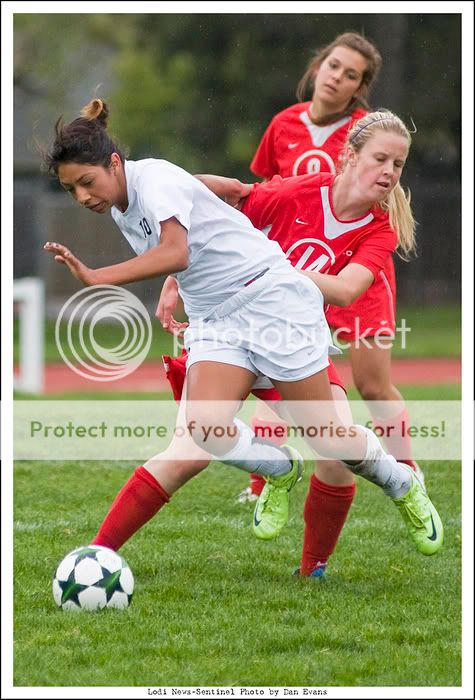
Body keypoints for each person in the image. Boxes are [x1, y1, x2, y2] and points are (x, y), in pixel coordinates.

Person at [42, 97, 442, 576]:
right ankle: (274, 469)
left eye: (87, 182)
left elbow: (177, 252)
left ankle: (400, 482)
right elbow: (218, 203)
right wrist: (206, 195)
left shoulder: (154, 180)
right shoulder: (125, 200)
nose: (83, 196)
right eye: (73, 190)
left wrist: (100, 276)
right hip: (217, 318)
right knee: (203, 432)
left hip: (273, 300)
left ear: (113, 163)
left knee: (332, 442)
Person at [156, 109, 434, 577]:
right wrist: (173, 269)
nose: (389, 172)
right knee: (191, 447)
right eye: (380, 159)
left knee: (338, 456)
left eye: (398, 164)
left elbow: (345, 290)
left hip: (296, 343)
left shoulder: (380, 229)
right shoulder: (298, 191)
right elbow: (218, 206)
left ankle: (315, 567)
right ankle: (104, 547)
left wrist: (270, 275)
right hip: (237, 332)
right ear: (349, 156)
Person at [240, 31, 422, 507]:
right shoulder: (283, 123)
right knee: (277, 367)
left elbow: (378, 201)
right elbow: (264, 191)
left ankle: (406, 469)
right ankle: (265, 478)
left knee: (372, 384)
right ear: (318, 66)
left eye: (351, 75)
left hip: (355, 273)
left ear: (359, 88)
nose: (337, 78)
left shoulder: (367, 130)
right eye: (334, 66)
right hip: (298, 266)